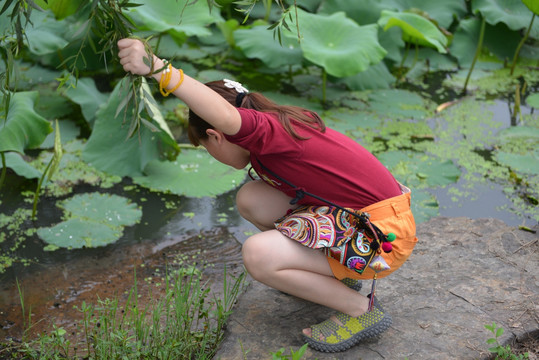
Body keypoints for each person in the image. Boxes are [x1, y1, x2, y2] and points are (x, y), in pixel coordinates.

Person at [117, 38, 417, 353]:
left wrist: (157, 68)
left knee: (258, 255)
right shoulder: (276, 128)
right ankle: (334, 277)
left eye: (207, 149)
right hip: (368, 218)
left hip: (381, 239)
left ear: (216, 136)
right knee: (252, 199)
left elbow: (226, 116)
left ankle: (360, 310)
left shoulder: (266, 132)